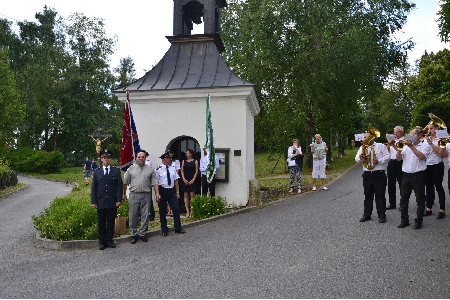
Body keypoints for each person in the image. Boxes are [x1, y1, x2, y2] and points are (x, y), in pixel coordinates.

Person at [396, 128, 432, 229]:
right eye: (410, 135)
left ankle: (419, 221)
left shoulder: (424, 145)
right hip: (406, 175)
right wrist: (398, 150)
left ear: (418, 136)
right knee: (403, 199)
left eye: (413, 135)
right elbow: (399, 158)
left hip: (419, 175)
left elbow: (421, 157)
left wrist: (411, 146)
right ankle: (404, 220)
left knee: (420, 200)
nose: (410, 137)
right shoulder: (406, 147)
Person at [91, 150, 123, 250]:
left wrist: (119, 200)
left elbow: (119, 187)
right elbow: (94, 188)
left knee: (110, 222)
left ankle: (109, 240)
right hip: (100, 201)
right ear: (101, 159)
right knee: (101, 223)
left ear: (110, 159)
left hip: (112, 201)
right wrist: (93, 201)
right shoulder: (97, 172)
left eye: (108, 158)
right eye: (104, 158)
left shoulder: (116, 171)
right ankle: (102, 242)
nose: (106, 160)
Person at [355, 132, 390, 223]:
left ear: (372, 138)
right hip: (367, 174)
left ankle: (382, 215)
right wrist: (360, 156)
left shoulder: (381, 146)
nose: (365, 139)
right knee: (367, 195)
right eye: (364, 138)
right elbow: (356, 159)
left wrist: (379, 161)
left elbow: (388, 156)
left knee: (380, 195)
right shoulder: (362, 148)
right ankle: (367, 214)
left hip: (379, 173)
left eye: (367, 137)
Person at [123, 151, 155, 244]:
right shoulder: (130, 169)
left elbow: (154, 183)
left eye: (143, 157)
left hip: (146, 195)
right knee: (133, 215)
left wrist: (157, 193)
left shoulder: (150, 169)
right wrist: (124, 194)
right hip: (134, 195)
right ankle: (133, 234)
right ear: (136, 158)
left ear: (145, 158)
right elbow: (125, 183)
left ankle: (143, 234)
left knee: (145, 215)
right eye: (139, 157)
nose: (141, 159)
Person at [154, 150, 186, 236]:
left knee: (176, 209)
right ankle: (164, 229)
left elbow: (176, 181)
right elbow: (156, 182)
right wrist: (157, 193)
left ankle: (178, 228)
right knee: (162, 211)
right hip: (162, 190)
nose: (170, 159)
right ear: (164, 159)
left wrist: (177, 192)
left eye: (170, 158)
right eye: (169, 158)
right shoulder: (158, 169)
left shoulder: (172, 169)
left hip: (172, 191)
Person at [423, 123, 446, 219]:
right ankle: (428, 208)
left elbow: (441, 153)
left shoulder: (441, 139)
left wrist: (431, 143)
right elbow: (424, 153)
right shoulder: (426, 140)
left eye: (431, 128)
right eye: (428, 129)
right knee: (428, 187)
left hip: (437, 164)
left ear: (437, 128)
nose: (429, 131)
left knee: (438, 187)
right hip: (428, 165)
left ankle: (442, 210)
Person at [386, 126, 404, 210]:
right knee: (391, 184)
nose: (395, 134)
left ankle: (402, 203)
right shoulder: (392, 141)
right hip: (391, 162)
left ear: (401, 133)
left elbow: (402, 152)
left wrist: (393, 145)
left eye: (397, 132)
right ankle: (392, 203)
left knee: (401, 183)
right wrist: (388, 145)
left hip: (400, 162)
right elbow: (386, 152)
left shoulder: (404, 141)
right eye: (395, 132)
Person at [181, 149, 199, 218]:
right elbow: (182, 171)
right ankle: (187, 211)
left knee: (192, 195)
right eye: (186, 153)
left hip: (192, 179)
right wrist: (184, 179)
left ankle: (192, 210)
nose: (187, 154)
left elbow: (196, 171)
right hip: (185, 179)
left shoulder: (195, 161)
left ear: (191, 154)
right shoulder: (183, 161)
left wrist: (193, 180)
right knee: (186, 195)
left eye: (188, 153)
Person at [142, 150, 155, 221]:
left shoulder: (148, 162)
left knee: (149, 200)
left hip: (147, 183)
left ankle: (151, 214)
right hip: (141, 183)